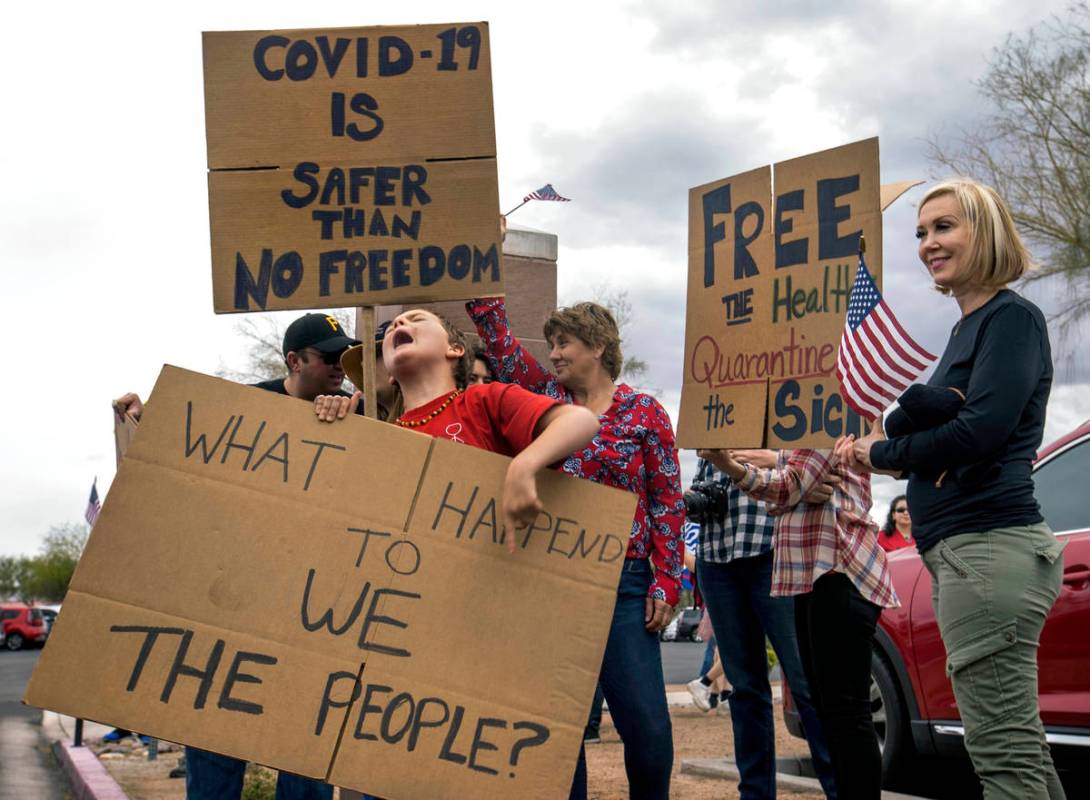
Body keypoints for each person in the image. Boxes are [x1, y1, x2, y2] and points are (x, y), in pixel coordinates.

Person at [846, 178, 1065, 799]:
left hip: (988, 549)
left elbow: (981, 430)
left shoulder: (1011, 318)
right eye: (920, 232)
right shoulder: (967, 328)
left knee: (1002, 751)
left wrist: (884, 451)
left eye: (944, 227)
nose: (927, 244)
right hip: (970, 553)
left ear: (985, 231)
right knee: (1014, 747)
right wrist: (882, 441)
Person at [115, 312, 362, 800]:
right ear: (293, 360)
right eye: (329, 358)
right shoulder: (243, 408)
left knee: (304, 757)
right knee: (213, 752)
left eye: (346, 359)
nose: (340, 368)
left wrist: (358, 420)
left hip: (309, 621)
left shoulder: (359, 415)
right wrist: (144, 420)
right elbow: (180, 456)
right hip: (230, 612)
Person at [467, 297, 683, 800]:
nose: (555, 354)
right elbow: (498, 339)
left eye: (565, 343)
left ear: (599, 346)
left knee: (647, 727)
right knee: (560, 728)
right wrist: (484, 252)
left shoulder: (645, 413)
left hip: (624, 585)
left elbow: (667, 501)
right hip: (552, 578)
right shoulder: (544, 398)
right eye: (553, 345)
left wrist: (668, 581)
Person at [703, 441, 897, 800]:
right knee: (835, 708)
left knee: (840, 710)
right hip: (808, 571)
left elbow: (789, 485)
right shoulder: (812, 425)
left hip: (835, 568)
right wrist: (792, 480)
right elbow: (797, 485)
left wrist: (754, 467)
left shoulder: (828, 409)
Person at [686, 454, 837, 799]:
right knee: (744, 689)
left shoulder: (781, 405)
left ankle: (838, 789)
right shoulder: (717, 406)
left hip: (775, 547)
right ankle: (754, 794)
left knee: (806, 682)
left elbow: (815, 461)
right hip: (717, 552)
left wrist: (772, 457)